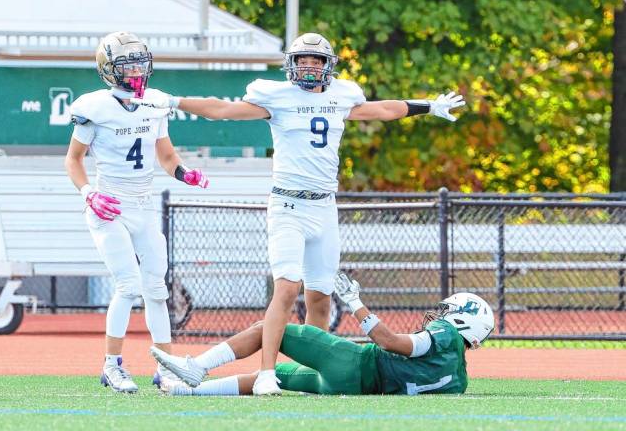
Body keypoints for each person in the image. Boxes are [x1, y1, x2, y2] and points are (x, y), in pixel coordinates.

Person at [133, 32, 466, 395]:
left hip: (324, 206)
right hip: (288, 204)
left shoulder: (342, 96)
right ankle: (265, 373)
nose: (309, 65)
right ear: (290, 64)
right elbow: (222, 109)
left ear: (328, 65)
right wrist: (175, 100)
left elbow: (385, 109)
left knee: (320, 296)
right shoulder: (276, 97)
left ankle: (314, 371)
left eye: (316, 60)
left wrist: (428, 106)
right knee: (287, 287)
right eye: (302, 59)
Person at [64, 31, 210, 393]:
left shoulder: (155, 104)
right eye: (127, 65)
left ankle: (167, 367)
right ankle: (111, 365)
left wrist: (183, 172)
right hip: (109, 205)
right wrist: (89, 193)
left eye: (139, 63)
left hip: (143, 205)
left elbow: (166, 156)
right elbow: (73, 160)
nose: (136, 71)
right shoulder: (93, 107)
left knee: (157, 290)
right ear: (109, 70)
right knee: (128, 286)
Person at [149, 272, 495, 396]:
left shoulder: (445, 336)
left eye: (449, 312)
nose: (440, 316)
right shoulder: (458, 380)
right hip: (352, 389)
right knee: (272, 378)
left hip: (354, 363)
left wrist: (356, 303)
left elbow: (391, 343)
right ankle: (185, 393)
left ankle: (200, 366)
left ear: (464, 321)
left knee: (270, 328)